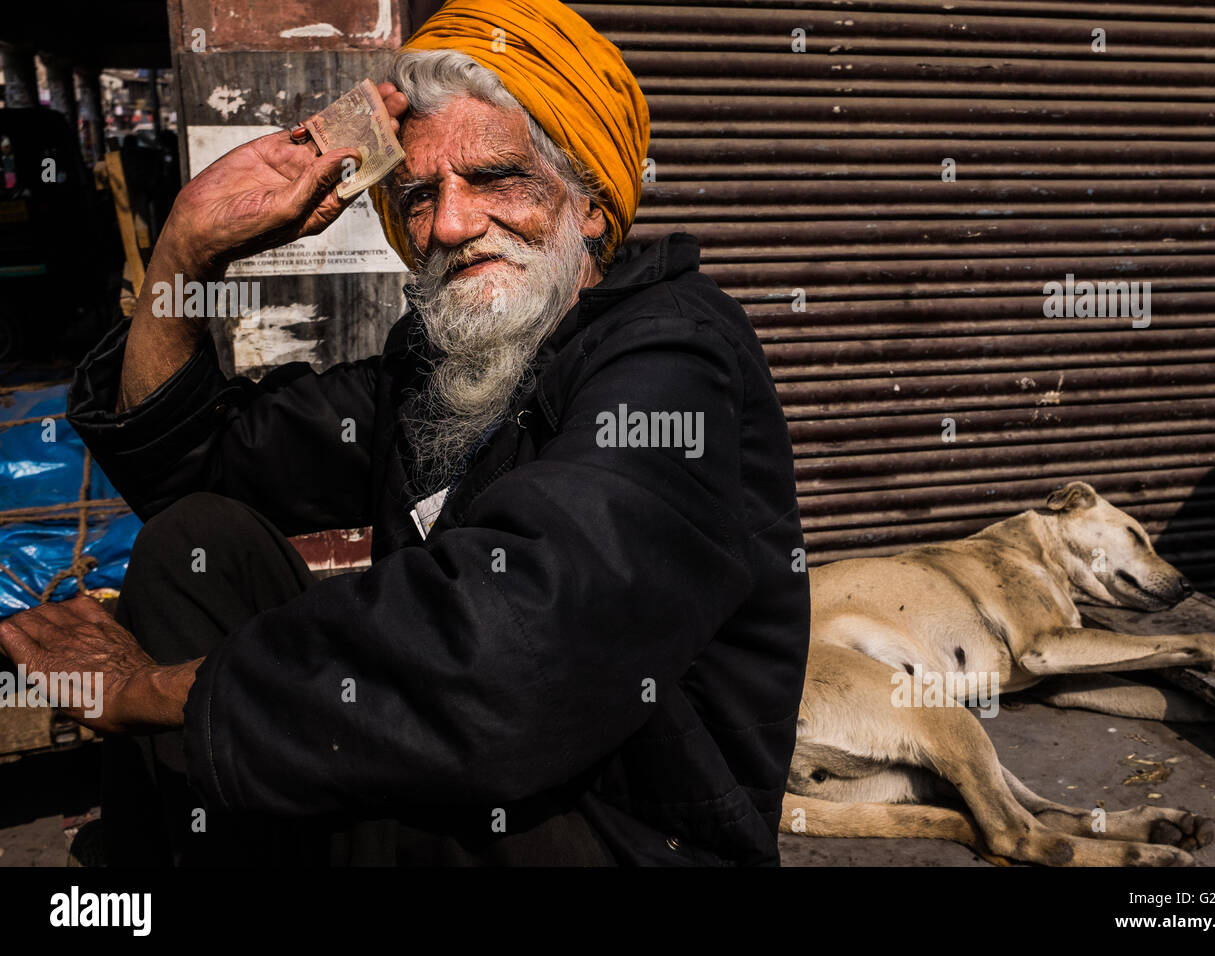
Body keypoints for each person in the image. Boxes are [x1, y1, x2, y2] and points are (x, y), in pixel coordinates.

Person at [0, 0, 809, 866]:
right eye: (420, 194)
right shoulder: (444, 363)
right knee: (201, 541)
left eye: (497, 177)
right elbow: (195, 464)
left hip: (627, 831)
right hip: (489, 770)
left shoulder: (678, 355)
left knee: (321, 766)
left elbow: (513, 654)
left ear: (593, 203)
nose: (452, 225)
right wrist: (187, 253)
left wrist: (153, 693)